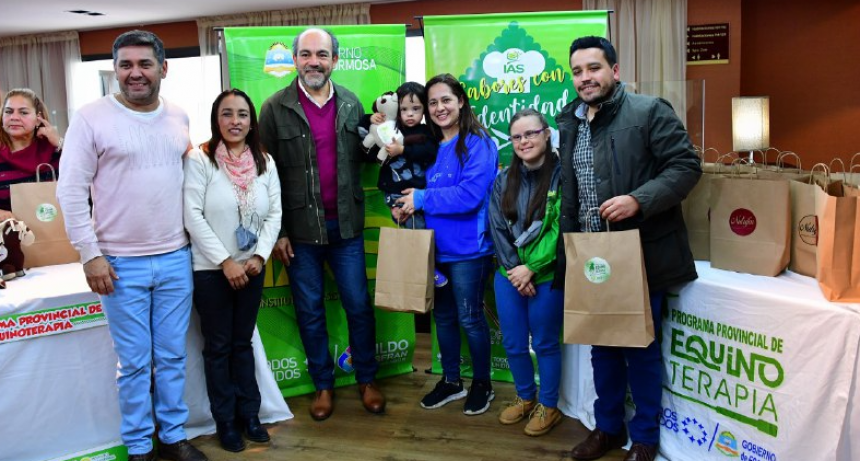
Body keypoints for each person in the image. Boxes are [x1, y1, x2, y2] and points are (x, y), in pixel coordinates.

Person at [57, 30, 208, 461]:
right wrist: (90, 254)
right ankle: (141, 446)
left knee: (173, 357)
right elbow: (70, 191)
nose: (134, 73)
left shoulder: (178, 116)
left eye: (144, 64)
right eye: (125, 65)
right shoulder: (90, 118)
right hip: (119, 263)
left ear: (163, 68)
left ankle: (174, 438)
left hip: (176, 257)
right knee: (136, 364)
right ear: (115, 71)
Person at [557, 36, 701, 461]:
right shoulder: (569, 122)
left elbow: (686, 167)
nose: (586, 78)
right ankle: (607, 429)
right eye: (578, 71)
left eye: (594, 68)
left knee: (639, 348)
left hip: (637, 254)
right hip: (589, 254)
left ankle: (644, 439)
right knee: (601, 349)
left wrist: (639, 199)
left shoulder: (648, 111)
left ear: (614, 71)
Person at [258, 27, 385, 421]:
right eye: (307, 54)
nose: (315, 61)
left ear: (335, 60)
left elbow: (363, 156)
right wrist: (277, 233)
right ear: (295, 59)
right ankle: (323, 387)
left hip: (346, 227)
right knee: (310, 311)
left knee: (359, 308)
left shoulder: (350, 101)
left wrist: (385, 137)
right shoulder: (274, 107)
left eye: (323, 54)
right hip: (299, 234)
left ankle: (366, 379)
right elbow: (265, 174)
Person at [183, 89, 281, 452]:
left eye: (242, 114)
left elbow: (274, 214)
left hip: (253, 269)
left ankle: (250, 415)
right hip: (211, 271)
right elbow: (192, 215)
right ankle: (225, 422)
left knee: (243, 344)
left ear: (251, 120)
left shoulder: (264, 161)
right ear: (216, 119)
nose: (235, 121)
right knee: (219, 347)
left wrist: (259, 257)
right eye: (227, 114)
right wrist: (225, 262)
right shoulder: (201, 159)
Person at [396, 73, 499, 416]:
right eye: (433, 102)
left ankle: (482, 383)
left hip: (470, 250)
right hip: (433, 252)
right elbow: (420, 194)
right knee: (443, 318)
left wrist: (422, 198)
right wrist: (407, 206)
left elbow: (470, 196)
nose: (439, 108)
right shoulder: (431, 148)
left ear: (461, 102)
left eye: (446, 100)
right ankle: (452, 381)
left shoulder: (478, 143)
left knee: (470, 319)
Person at [488, 108, 563, 436]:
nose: (524, 141)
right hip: (508, 276)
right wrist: (514, 269)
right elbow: (496, 226)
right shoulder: (504, 178)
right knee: (515, 344)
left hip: (546, 276)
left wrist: (532, 268)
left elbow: (561, 228)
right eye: (517, 136)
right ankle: (525, 397)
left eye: (531, 133)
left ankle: (549, 405)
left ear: (546, 134)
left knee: (545, 344)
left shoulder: (564, 176)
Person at [363, 81, 446, 286]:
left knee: (422, 228)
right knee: (415, 227)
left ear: (425, 109)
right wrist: (369, 119)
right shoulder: (390, 128)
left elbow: (429, 152)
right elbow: (367, 136)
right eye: (404, 109)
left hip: (417, 194)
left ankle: (422, 268)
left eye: (416, 109)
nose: (410, 114)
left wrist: (403, 151)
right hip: (394, 193)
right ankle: (427, 269)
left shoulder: (426, 132)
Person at [0, 88, 63, 218]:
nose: (14, 117)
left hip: (56, 234)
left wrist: (60, 142)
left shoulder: (57, 152)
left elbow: (95, 178)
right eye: (8, 112)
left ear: (38, 119)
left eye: (23, 112)